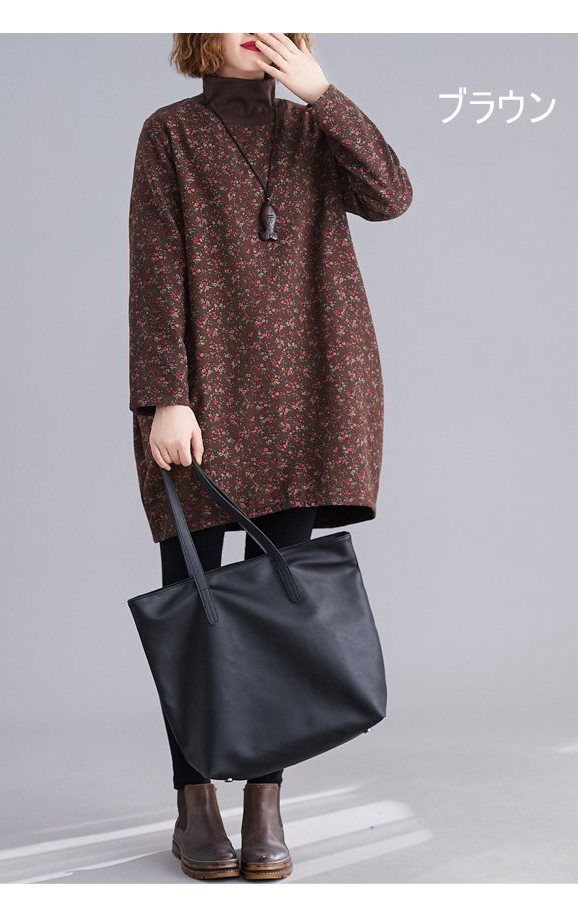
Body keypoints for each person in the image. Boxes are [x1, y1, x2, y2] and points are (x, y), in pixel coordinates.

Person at [127, 32, 413, 881]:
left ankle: (264, 802)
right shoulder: (170, 132)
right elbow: (154, 267)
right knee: (195, 603)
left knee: (280, 608)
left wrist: (325, 95)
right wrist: (166, 394)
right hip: (205, 391)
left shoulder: (311, 126)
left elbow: (391, 195)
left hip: (308, 385)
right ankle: (194, 801)